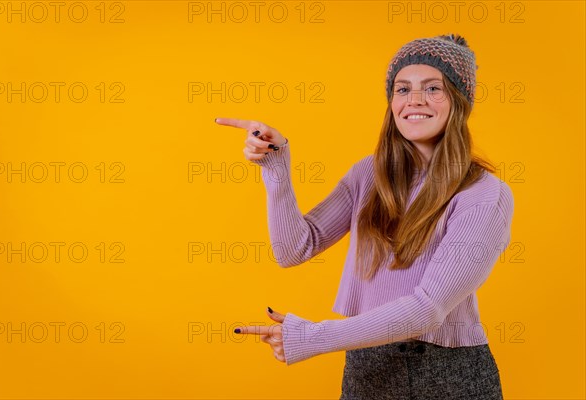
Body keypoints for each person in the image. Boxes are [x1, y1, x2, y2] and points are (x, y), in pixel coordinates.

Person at [215, 33, 513, 400]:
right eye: (402, 89)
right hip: (367, 370)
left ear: (459, 102)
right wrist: (275, 166)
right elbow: (293, 249)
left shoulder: (484, 194)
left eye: (432, 88)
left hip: (449, 378)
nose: (414, 100)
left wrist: (310, 337)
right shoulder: (368, 174)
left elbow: (427, 310)